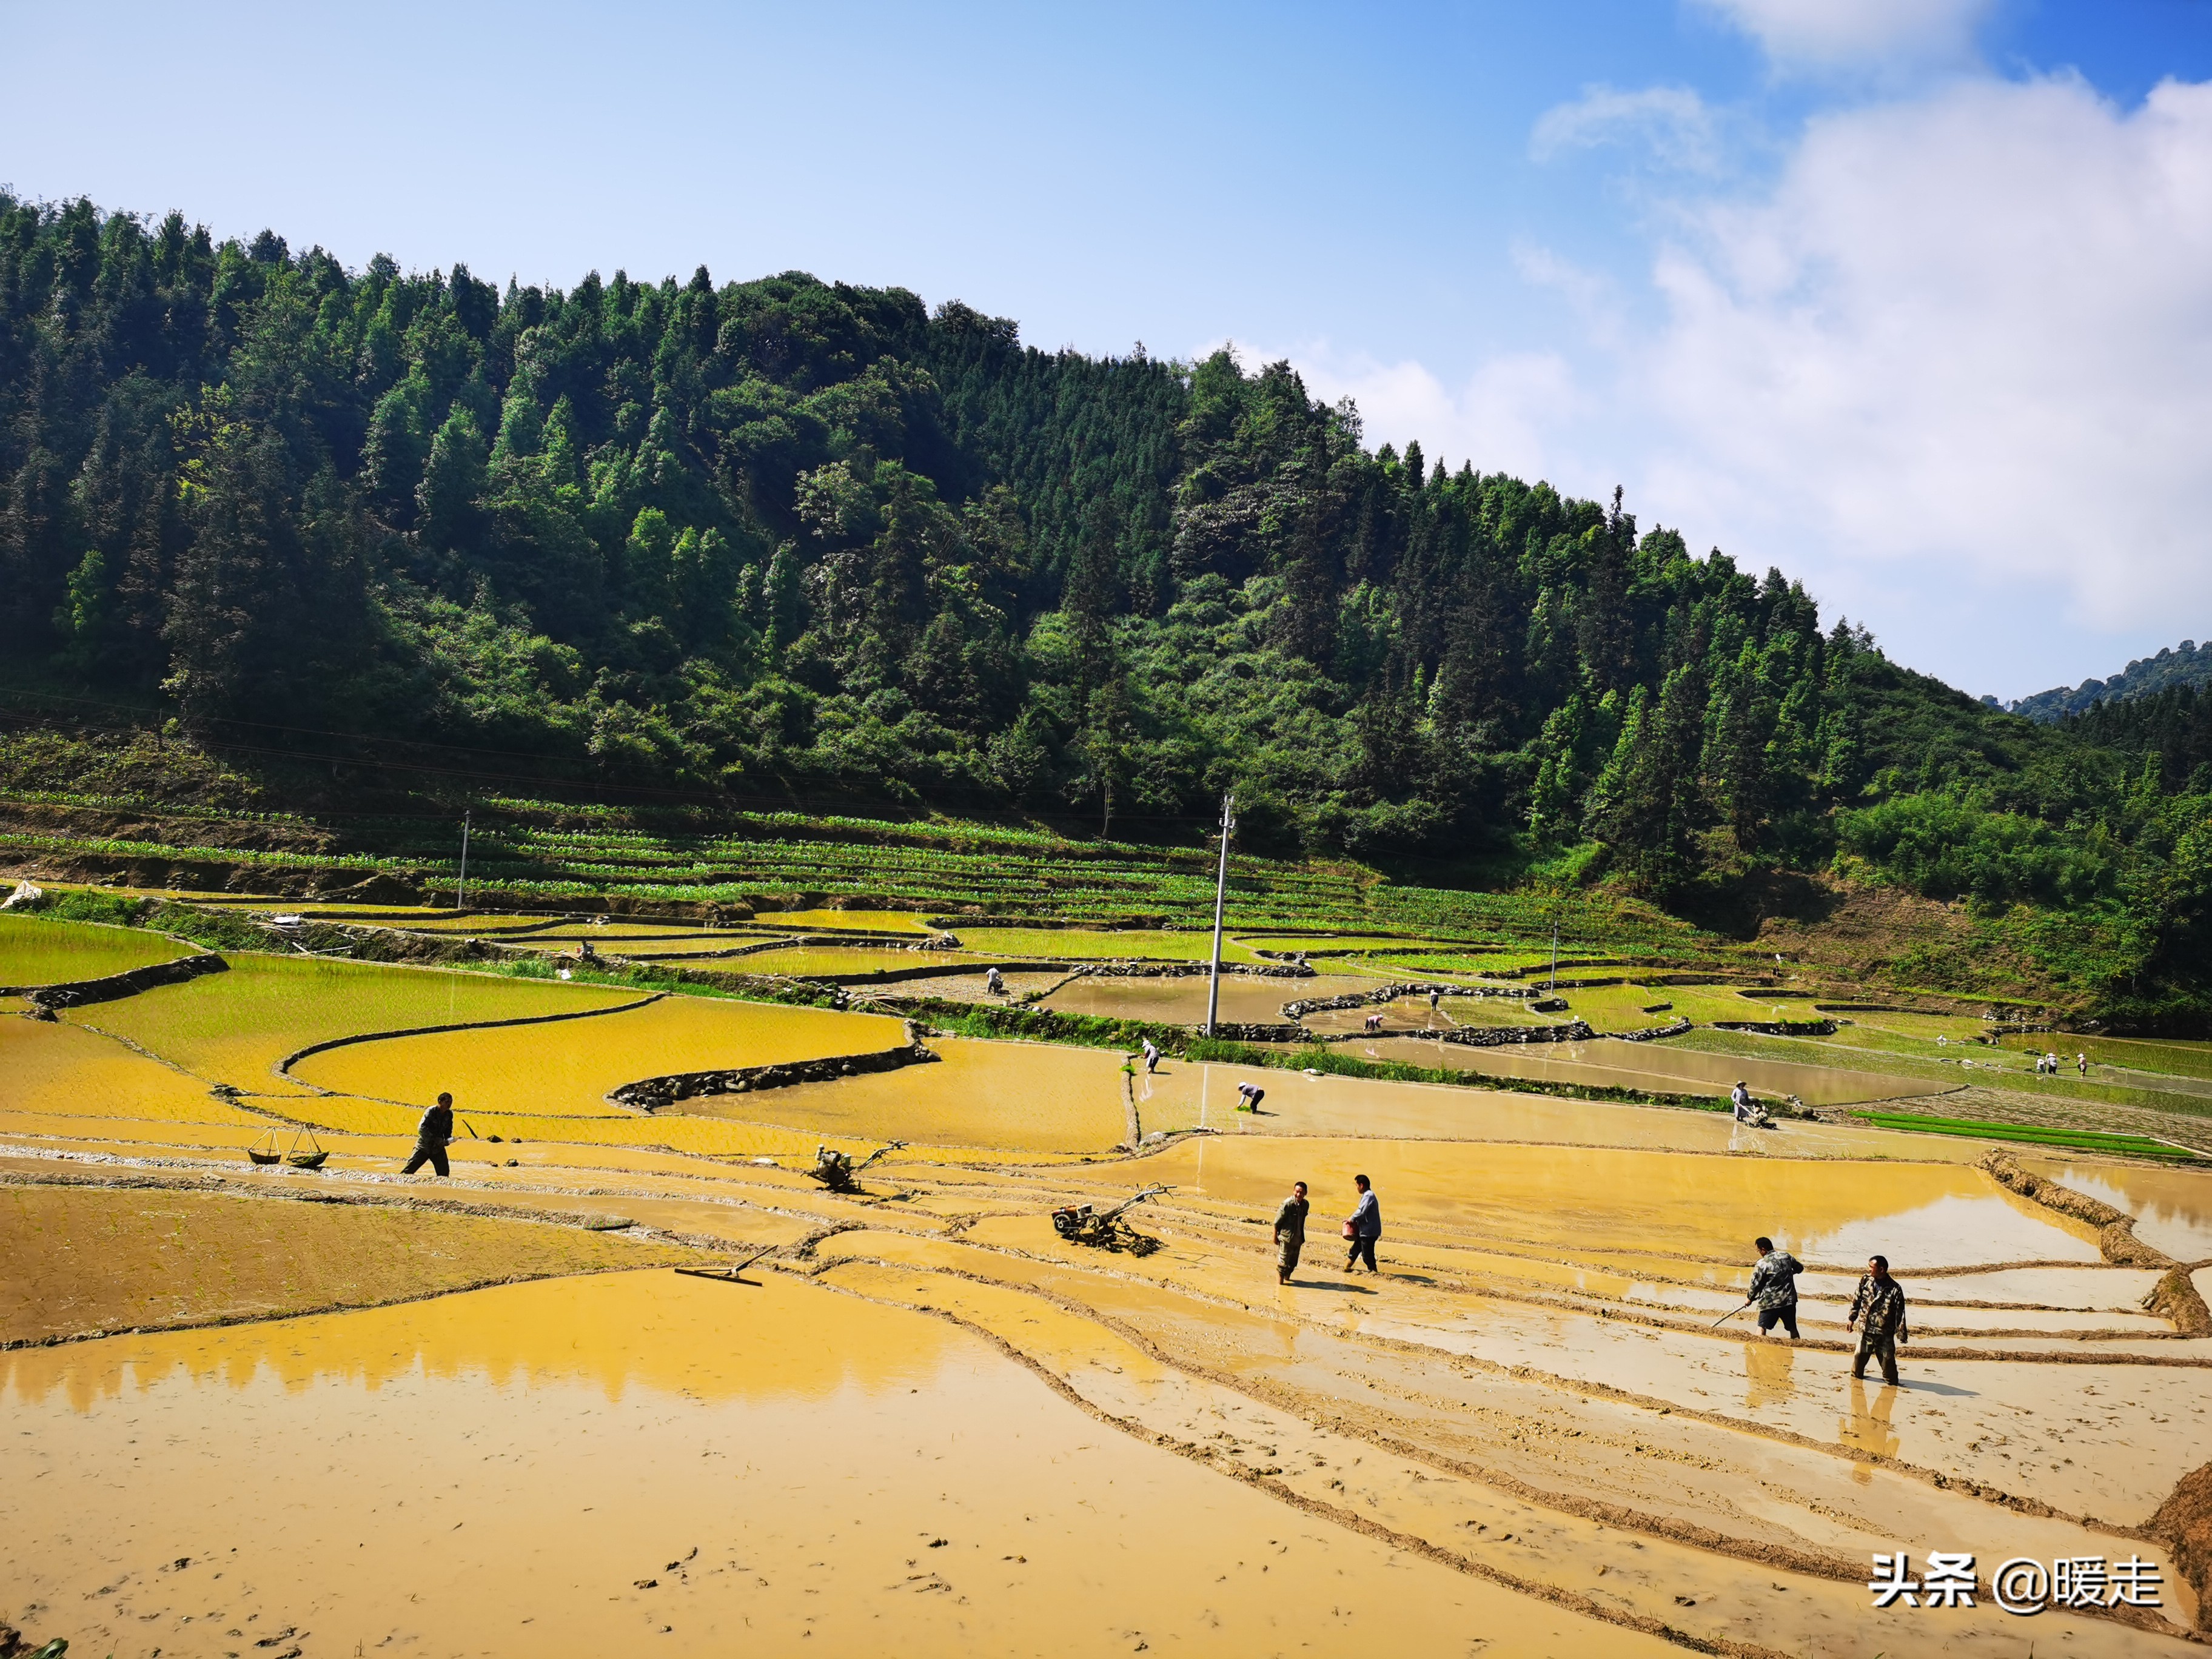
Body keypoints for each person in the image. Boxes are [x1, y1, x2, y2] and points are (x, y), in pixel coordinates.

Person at [1846, 1255, 1909, 1384]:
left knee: (1889, 1368)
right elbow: (1856, 1299)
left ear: (1881, 1270)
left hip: (1884, 1334)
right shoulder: (1865, 1281)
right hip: (1865, 1330)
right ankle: (1856, 1386)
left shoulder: (1895, 1289)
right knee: (1858, 1363)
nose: (1869, 1269)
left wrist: (1901, 1334)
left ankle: (1892, 1387)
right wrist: (1852, 1318)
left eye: (1871, 1267)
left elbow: (1900, 1313)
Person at [1749, 1235, 1803, 1339]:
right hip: (1789, 1300)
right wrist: (1790, 1272)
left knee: (1761, 1327)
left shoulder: (1762, 1263)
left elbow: (1755, 1283)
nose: (1759, 1253)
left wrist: (1749, 1298)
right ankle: (1797, 1350)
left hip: (1771, 1302)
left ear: (1764, 1250)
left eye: (1759, 1251)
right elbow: (1800, 1268)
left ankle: (1759, 1349)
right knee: (1793, 1328)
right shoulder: (1786, 1256)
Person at [403, 1091, 455, 1177]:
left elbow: (448, 1128)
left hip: (438, 1148)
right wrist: (435, 1139)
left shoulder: (449, 1114)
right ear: (440, 1101)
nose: (449, 1105)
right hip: (424, 1147)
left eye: (450, 1102)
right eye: (447, 1102)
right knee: (407, 1173)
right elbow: (422, 1128)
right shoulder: (431, 1111)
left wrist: (448, 1139)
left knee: (444, 1175)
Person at [1273, 1181, 1310, 1285]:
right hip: (1286, 1238)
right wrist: (1275, 1237)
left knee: (1292, 1264)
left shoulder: (1306, 1205)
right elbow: (1277, 1222)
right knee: (1282, 1265)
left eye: (1302, 1193)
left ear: (1306, 1193)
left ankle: (1287, 1281)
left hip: (1297, 1239)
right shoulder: (1287, 1204)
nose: (1299, 1195)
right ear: (1294, 1191)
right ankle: (1280, 1287)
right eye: (1297, 1192)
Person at [1344, 1174, 1381, 1274]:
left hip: (1369, 1232)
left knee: (1367, 1255)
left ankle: (1374, 1272)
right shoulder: (1367, 1195)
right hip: (1364, 1230)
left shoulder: (1369, 1195)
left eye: (1356, 1185)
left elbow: (1361, 1211)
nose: (1356, 1188)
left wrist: (1351, 1219)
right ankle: (1346, 1268)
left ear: (1361, 1185)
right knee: (1355, 1250)